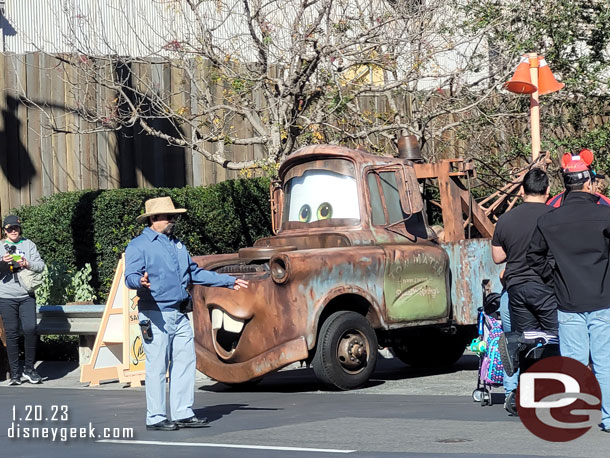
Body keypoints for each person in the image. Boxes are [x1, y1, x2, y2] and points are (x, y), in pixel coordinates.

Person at [125, 196, 249, 431]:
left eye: (174, 216)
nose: (173, 220)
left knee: (184, 363)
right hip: (155, 314)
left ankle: (182, 412)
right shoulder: (139, 245)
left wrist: (228, 282)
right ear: (153, 219)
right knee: (157, 366)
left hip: (181, 313)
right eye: (168, 216)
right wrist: (139, 281)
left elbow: (194, 273)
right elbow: (129, 276)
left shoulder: (177, 245)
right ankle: (156, 416)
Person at [527, 153, 610, 433]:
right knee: (605, 364)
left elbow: (534, 257)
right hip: (603, 299)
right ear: (589, 183)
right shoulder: (605, 215)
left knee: (574, 362)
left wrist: (553, 280)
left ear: (566, 184)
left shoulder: (550, 220)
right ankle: (609, 418)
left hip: (567, 301)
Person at [491, 168, 558, 335]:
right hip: (547, 287)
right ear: (547, 190)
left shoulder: (505, 219)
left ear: (522, 190)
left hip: (517, 288)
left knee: (527, 342)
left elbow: (497, 257)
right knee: (556, 340)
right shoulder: (556, 217)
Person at [0, 215, 45, 385]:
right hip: (5, 297)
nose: (13, 231)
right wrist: (3, 263)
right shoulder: (0, 247)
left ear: (20, 229)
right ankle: (15, 373)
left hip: (26, 295)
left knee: (30, 329)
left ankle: (29, 369)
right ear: (4, 231)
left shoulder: (28, 244)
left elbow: (41, 266)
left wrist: (27, 263)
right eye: (10, 229)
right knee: (11, 334)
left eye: (16, 228)